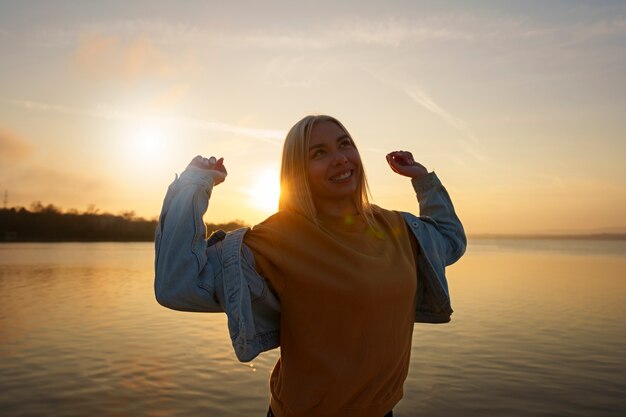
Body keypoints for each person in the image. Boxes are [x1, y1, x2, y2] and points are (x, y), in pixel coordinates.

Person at [154, 115, 466, 417]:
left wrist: (424, 180)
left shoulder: (397, 227)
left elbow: (450, 241)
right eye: (319, 153)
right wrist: (194, 184)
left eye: (344, 144)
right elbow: (177, 286)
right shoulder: (277, 239)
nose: (340, 158)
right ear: (297, 171)